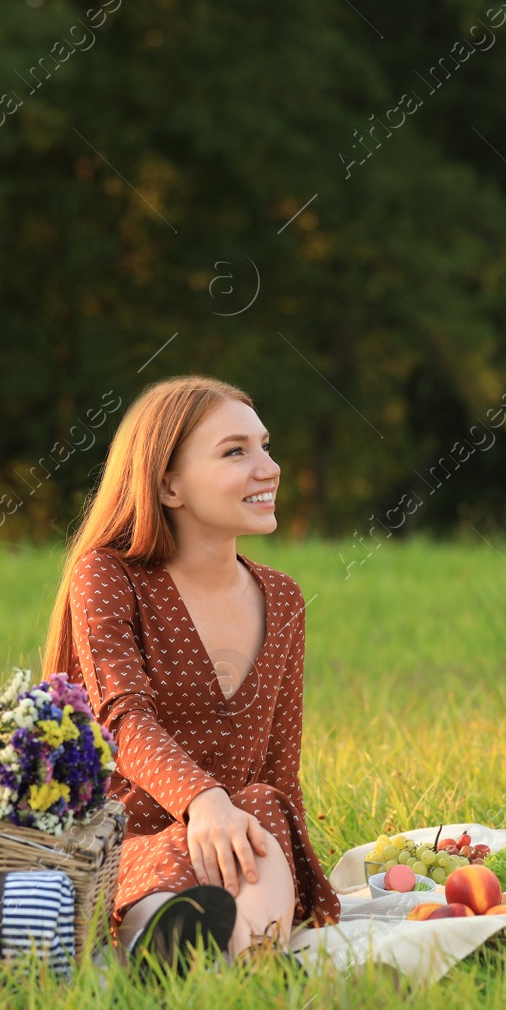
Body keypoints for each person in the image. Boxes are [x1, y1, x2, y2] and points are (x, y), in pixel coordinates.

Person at [41, 375, 341, 974]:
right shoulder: (109, 575)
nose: (269, 467)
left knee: (262, 806)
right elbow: (121, 717)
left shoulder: (282, 598)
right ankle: (178, 940)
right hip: (126, 837)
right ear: (168, 485)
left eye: (265, 446)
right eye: (236, 452)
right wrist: (204, 803)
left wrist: (287, 859)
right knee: (165, 857)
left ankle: (231, 960)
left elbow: (282, 771)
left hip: (245, 839)